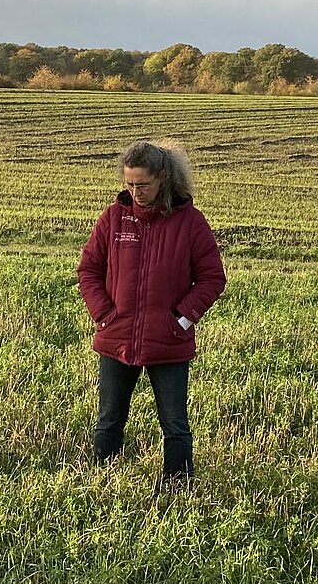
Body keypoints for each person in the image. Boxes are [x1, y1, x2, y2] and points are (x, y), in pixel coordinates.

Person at [77, 141, 226, 483]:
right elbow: (88, 270)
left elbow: (212, 278)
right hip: (116, 337)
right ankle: (104, 482)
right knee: (109, 420)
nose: (135, 192)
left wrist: (182, 319)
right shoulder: (114, 217)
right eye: (129, 184)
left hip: (169, 340)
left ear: (162, 178)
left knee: (175, 423)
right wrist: (104, 315)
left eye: (142, 185)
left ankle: (178, 488)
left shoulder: (190, 222)